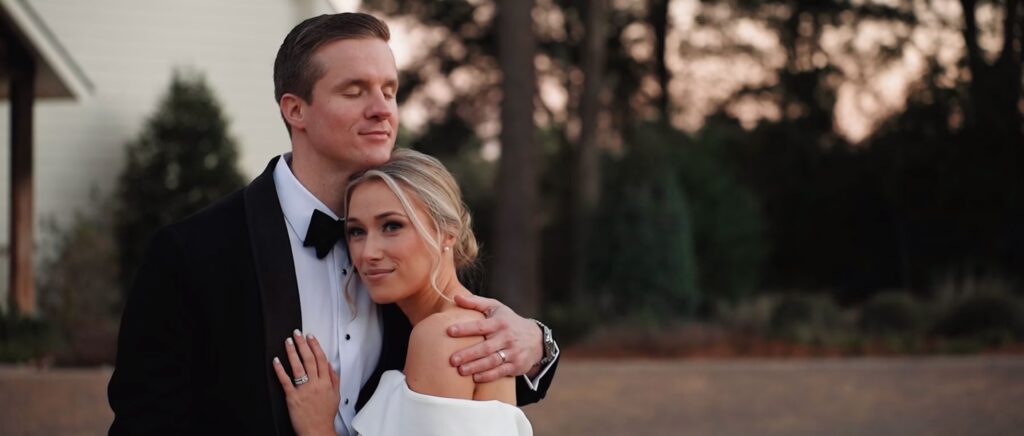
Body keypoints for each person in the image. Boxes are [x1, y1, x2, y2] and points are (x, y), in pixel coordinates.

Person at [108, 13, 558, 436]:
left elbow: (468, 390)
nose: (383, 109)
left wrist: (536, 346)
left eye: (389, 89)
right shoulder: (191, 253)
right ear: (295, 110)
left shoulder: (415, 239)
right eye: (355, 90)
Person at [273, 149, 533, 435]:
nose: (368, 253)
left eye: (392, 226)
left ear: (447, 232)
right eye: (357, 231)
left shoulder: (444, 336)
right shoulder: (466, 326)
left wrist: (318, 428)